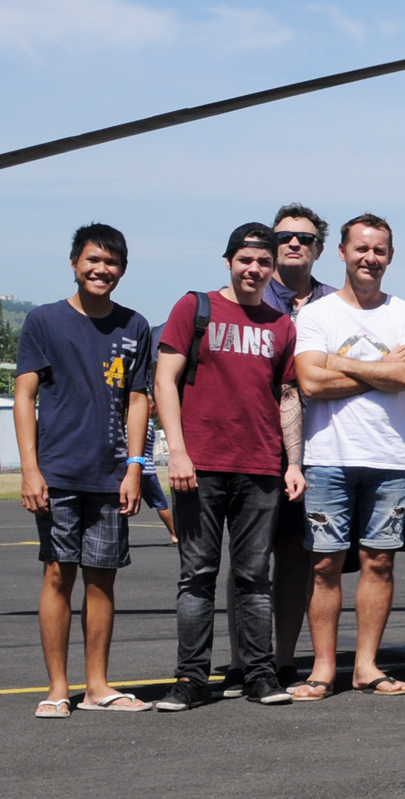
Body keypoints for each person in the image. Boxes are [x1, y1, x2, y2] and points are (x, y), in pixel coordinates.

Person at [150, 223, 300, 711]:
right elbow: (164, 380)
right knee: (197, 576)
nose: (254, 270)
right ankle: (191, 679)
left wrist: (291, 462)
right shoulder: (194, 308)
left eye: (263, 263)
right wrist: (177, 450)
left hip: (260, 467)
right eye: (245, 261)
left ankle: (259, 674)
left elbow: (287, 396)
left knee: (254, 577)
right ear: (229, 261)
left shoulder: (281, 326)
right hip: (200, 466)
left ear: (272, 269)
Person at [291, 213, 405, 699]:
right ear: (342, 253)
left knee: (379, 564)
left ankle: (367, 667)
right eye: (361, 249)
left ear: (390, 257)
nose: (369, 258)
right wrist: (384, 366)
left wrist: (336, 362)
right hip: (327, 455)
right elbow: (310, 382)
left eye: (379, 251)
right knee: (324, 566)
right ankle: (324, 668)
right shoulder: (315, 314)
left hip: (389, 458)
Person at [15, 224, 157, 717]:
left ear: (122, 269)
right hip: (58, 473)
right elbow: (24, 395)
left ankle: (97, 685)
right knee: (58, 574)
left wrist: (135, 467)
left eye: (112, 262)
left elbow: (138, 400)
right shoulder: (44, 321)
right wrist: (30, 470)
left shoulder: (134, 325)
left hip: (112, 474)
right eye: (93, 260)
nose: (102, 270)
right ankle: (58, 688)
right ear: (75, 263)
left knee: (103, 580)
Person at [262, 203, 334, 680]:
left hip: (321, 451)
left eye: (304, 238)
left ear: (319, 249)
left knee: (299, 559)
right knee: (249, 562)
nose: (294, 243)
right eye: (285, 236)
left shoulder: (338, 303)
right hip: (258, 450)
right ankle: (249, 660)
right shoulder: (246, 295)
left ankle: (285, 660)